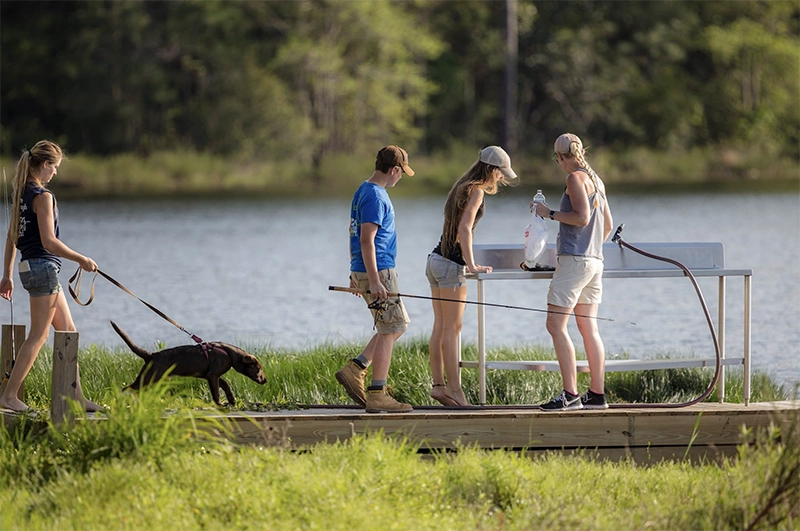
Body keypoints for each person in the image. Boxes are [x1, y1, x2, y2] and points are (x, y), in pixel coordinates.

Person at [0, 140, 102, 413]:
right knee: (39, 335)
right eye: (54, 167)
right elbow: (49, 242)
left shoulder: (21, 194)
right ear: (45, 165)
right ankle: (9, 396)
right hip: (43, 269)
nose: (55, 173)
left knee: (68, 332)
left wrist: (7, 275)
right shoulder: (42, 196)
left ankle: (76, 397)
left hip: (32, 269)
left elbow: (12, 237)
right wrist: (82, 259)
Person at [425, 146, 517, 406]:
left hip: (435, 261)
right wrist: (471, 264)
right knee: (453, 330)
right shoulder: (476, 191)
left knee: (441, 327)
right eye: (500, 173)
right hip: (450, 265)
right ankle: (455, 391)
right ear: (491, 169)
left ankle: (439, 386)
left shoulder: (460, 186)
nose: (501, 178)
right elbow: (465, 229)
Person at [533, 133, 613, 411]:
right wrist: (590, 249)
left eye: (557, 158)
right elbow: (607, 226)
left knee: (555, 325)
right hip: (595, 262)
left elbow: (581, 218)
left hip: (575, 262)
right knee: (588, 327)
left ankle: (570, 394)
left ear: (559, 157)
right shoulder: (597, 181)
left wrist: (549, 213)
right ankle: (597, 395)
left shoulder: (575, 179)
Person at [335, 146, 415, 413]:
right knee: (391, 328)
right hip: (379, 271)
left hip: (369, 270)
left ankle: (356, 368)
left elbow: (352, 233)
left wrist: (354, 273)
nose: (400, 178)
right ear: (393, 170)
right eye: (401, 173)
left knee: (395, 325)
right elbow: (365, 239)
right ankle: (377, 393)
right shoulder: (376, 197)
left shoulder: (362, 190)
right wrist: (374, 280)